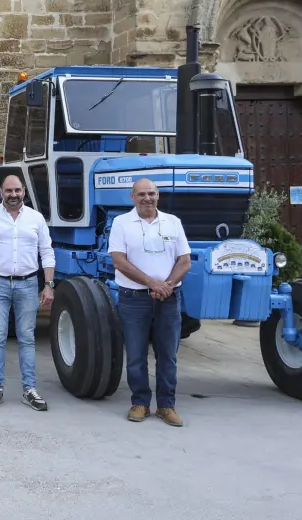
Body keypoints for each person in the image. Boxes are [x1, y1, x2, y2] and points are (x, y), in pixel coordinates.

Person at [108, 178, 191, 427]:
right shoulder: (121, 223)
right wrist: (152, 283)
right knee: (136, 355)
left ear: (158, 195)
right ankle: (140, 403)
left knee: (168, 356)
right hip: (134, 298)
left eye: (151, 194)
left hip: (169, 299)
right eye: (142, 194)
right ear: (132, 197)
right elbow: (119, 261)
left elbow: (185, 261)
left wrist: (166, 286)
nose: (147, 198)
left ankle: (166, 406)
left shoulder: (173, 222)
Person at [0, 174, 55, 411]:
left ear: (24, 191)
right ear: (1, 192)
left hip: (28, 284)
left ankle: (30, 389)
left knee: (26, 337)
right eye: (8, 191)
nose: (13, 195)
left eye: (17, 190)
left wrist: (49, 284)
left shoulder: (36, 218)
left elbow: (46, 251)